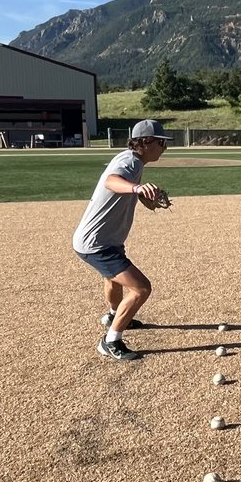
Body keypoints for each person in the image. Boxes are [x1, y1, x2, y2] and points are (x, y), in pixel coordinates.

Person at [72, 119, 172, 360]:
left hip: (102, 240)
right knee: (141, 288)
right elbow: (111, 181)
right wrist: (137, 189)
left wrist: (141, 195)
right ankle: (110, 341)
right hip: (97, 245)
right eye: (161, 143)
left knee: (113, 280)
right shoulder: (129, 161)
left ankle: (113, 316)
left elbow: (119, 186)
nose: (164, 148)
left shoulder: (131, 159)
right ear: (146, 142)